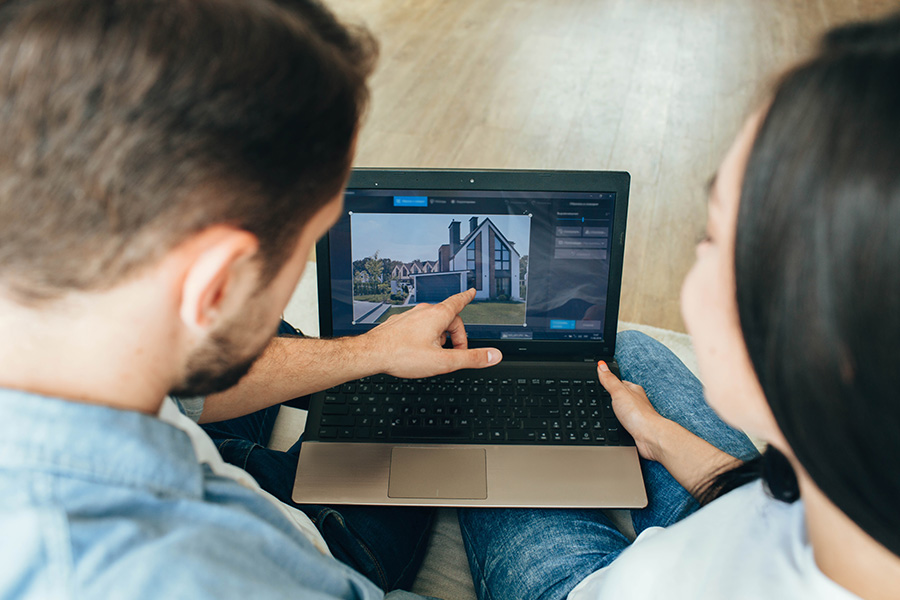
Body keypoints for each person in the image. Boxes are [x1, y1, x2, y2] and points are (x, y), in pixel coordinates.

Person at [0, 1, 501, 598]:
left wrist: (370, 349)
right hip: (311, 546)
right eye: (312, 238)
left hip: (200, 453)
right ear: (216, 285)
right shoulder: (194, 576)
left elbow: (182, 396)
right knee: (423, 412)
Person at [457, 11, 900, 600]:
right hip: (732, 516)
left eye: (713, 236)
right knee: (624, 352)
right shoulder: (851, 491)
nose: (695, 261)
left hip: (580, 586)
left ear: (825, 337)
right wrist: (658, 434)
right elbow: (768, 509)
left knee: (484, 409)